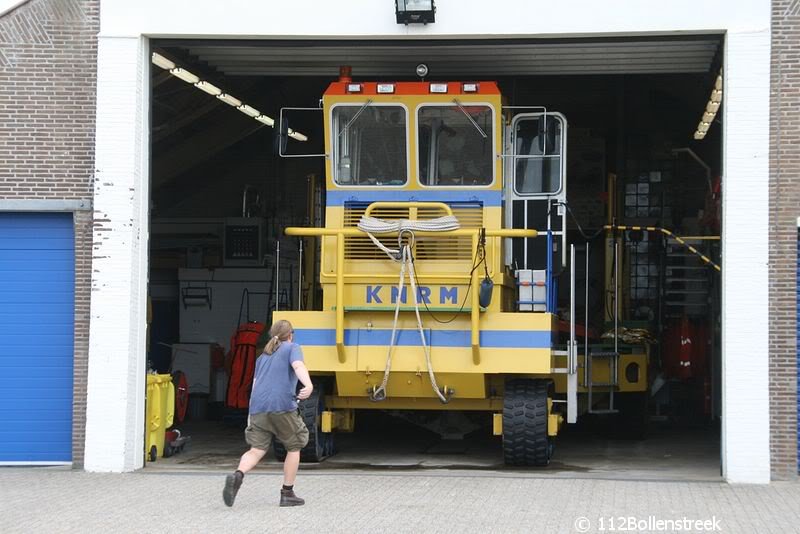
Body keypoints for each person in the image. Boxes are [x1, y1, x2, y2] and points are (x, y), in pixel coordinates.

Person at [222, 319, 313, 508]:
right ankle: (287, 493)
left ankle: (238, 474)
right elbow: (298, 366)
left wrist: (250, 414)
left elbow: (255, 385)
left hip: (258, 407)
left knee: (256, 450)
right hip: (281, 405)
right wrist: (308, 385)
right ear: (290, 334)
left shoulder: (262, 357)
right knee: (294, 446)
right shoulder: (292, 347)